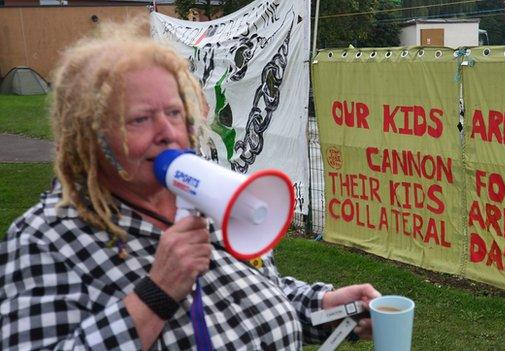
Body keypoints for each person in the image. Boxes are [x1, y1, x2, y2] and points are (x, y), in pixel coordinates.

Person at [0, 19, 380, 350]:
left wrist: (328, 306)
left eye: (174, 113)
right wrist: (157, 293)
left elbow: (252, 298)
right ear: (91, 138)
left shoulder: (206, 193)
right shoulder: (44, 239)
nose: (168, 133)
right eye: (139, 119)